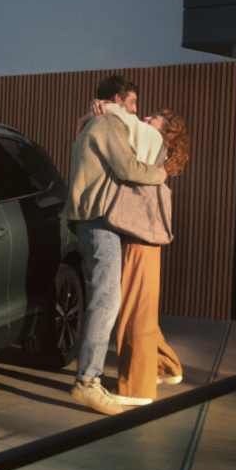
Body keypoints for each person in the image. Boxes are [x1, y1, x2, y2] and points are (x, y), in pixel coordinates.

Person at [65, 76, 167, 416]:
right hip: (98, 220)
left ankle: (89, 379)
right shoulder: (109, 122)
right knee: (106, 301)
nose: (136, 111)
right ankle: (87, 383)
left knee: (105, 299)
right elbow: (128, 168)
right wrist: (161, 175)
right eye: (133, 103)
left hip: (93, 220)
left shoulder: (97, 121)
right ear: (116, 100)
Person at [109, 108, 191, 405]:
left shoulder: (152, 140)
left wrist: (104, 106)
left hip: (139, 235)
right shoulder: (160, 150)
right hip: (146, 236)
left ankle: (137, 389)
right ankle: (165, 366)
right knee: (141, 304)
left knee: (134, 309)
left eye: (154, 117)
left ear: (166, 131)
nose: (146, 119)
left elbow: (127, 122)